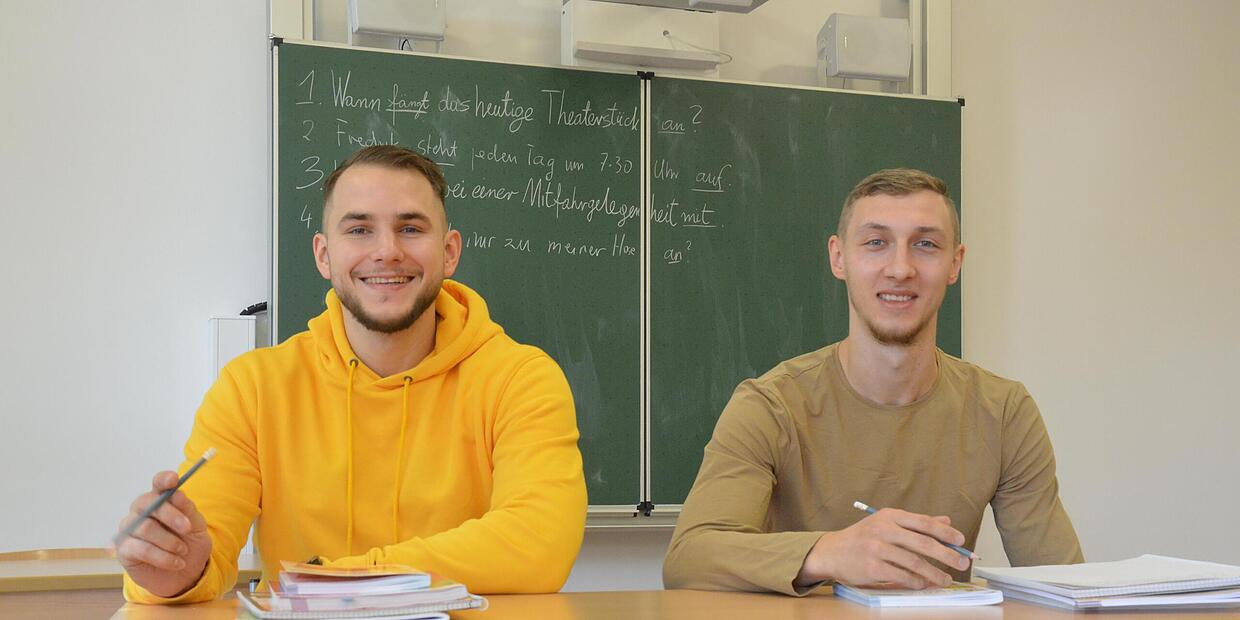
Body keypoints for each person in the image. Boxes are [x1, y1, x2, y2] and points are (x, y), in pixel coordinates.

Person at [115, 145, 587, 603]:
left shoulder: (521, 379)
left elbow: (539, 542)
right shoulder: (252, 388)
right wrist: (175, 570)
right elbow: (202, 549)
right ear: (323, 255)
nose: (387, 251)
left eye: (410, 228)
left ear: (449, 252)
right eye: (359, 230)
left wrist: (343, 578)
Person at [663, 168, 1082, 595]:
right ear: (838, 257)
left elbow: (1069, 586)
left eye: (925, 244)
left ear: (955, 264)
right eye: (876, 242)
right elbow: (689, 559)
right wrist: (828, 553)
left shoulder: (1004, 411)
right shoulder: (769, 406)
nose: (900, 269)